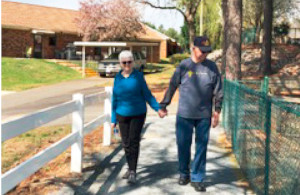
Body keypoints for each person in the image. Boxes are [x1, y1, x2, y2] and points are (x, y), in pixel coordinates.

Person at [160, 36, 223, 192]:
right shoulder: (183, 66)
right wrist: (164, 105)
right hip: (184, 115)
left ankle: (198, 177)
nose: (205, 55)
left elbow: (218, 91)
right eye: (202, 51)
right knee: (183, 146)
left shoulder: (212, 67)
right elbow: (172, 86)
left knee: (201, 147)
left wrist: (217, 111)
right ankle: (184, 173)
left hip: (203, 116)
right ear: (193, 48)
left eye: (207, 52)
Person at [111, 50, 166, 184]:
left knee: (133, 141)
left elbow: (147, 95)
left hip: (138, 113)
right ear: (120, 63)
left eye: (129, 62)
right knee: (125, 143)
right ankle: (130, 167)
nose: (127, 65)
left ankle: (133, 171)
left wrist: (158, 108)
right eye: (124, 62)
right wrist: (113, 119)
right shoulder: (117, 78)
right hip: (121, 114)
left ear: (133, 62)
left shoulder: (138, 76)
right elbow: (115, 99)